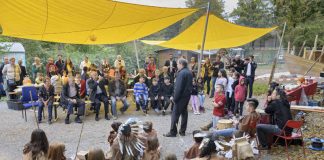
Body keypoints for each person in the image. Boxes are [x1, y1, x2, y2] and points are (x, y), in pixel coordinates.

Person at [164, 58, 193, 137]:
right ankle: (182, 131)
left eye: (177, 64)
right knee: (184, 113)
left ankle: (173, 132)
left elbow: (178, 87)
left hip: (180, 97)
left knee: (175, 114)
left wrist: (175, 98)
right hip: (186, 96)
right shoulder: (189, 72)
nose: (176, 65)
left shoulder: (182, 73)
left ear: (181, 64)